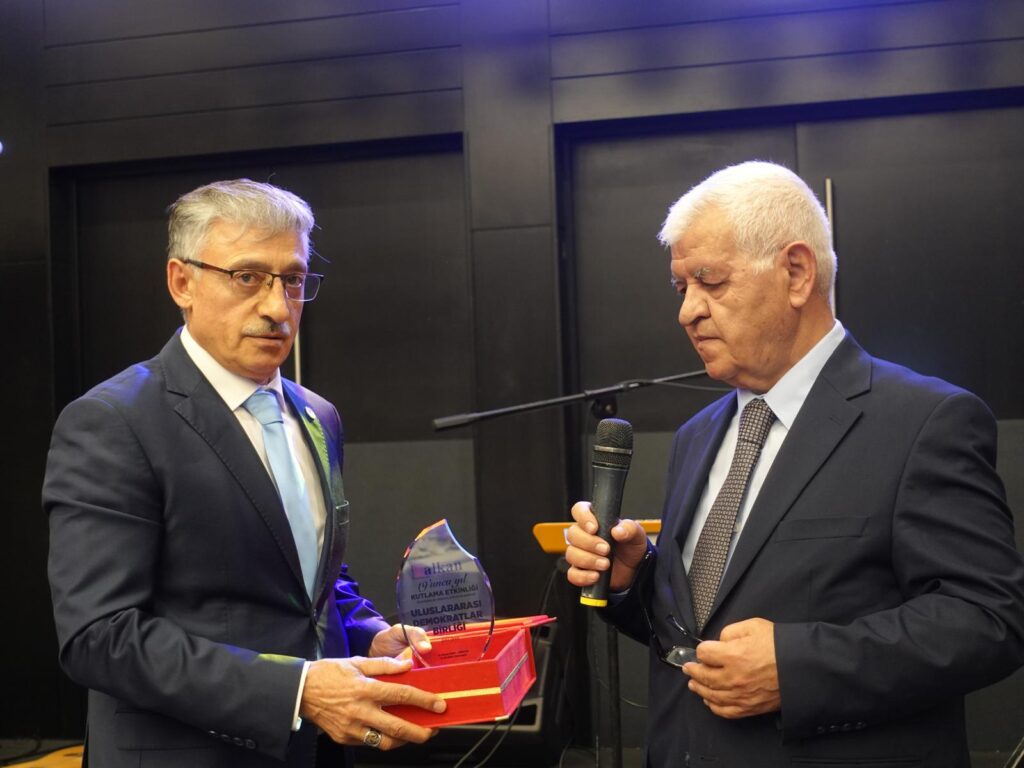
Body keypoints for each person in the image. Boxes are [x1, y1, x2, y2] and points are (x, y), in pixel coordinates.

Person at [565, 161, 1024, 767]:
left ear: (797, 273)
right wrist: (635, 581)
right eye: (681, 288)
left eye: (710, 281)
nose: (688, 311)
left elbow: (989, 620)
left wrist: (799, 669)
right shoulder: (695, 437)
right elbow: (698, 624)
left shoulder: (926, 422)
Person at [44, 179, 446, 768]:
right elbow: (99, 637)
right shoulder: (113, 421)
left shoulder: (318, 415)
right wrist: (297, 692)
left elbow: (308, 579)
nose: (278, 308)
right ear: (182, 282)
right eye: (248, 277)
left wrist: (368, 632)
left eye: (293, 280)